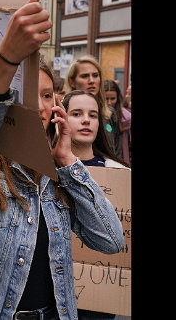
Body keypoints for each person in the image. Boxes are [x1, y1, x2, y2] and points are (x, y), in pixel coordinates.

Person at [0, 0, 124, 320]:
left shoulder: (60, 176)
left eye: (47, 95)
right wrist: (6, 58)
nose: (39, 105)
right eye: (26, 92)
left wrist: (67, 161)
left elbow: (110, 239)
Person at [61, 90, 129, 320]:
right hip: (55, 296)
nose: (86, 120)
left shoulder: (121, 175)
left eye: (93, 115)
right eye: (76, 113)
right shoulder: (45, 172)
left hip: (102, 300)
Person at [65, 56, 122, 160]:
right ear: (71, 82)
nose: (91, 81)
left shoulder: (109, 113)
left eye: (95, 75)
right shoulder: (61, 110)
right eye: (85, 76)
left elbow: (117, 152)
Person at [103, 80, 131, 166]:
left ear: (117, 98)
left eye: (112, 99)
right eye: (106, 99)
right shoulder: (96, 116)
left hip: (122, 161)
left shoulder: (126, 117)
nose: (109, 103)